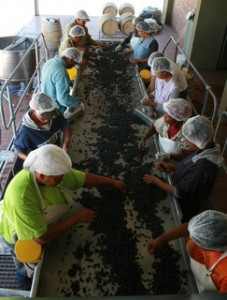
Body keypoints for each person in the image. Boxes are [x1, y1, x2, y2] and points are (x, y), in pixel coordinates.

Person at [0, 144, 127, 289]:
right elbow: (40, 237)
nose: (63, 178)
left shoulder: (52, 174)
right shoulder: (22, 196)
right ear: (42, 175)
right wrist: (76, 218)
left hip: (39, 223)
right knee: (26, 263)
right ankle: (24, 282)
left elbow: (82, 179)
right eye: (59, 177)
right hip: (19, 234)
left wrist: (111, 182)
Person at [143, 115, 223, 223]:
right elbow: (191, 167)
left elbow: (179, 192)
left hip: (185, 206)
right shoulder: (205, 148)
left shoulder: (204, 168)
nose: (185, 142)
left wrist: (155, 181)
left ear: (197, 140)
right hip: (181, 184)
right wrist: (173, 168)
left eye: (188, 140)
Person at [147, 210, 227, 293]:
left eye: (197, 241)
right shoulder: (219, 224)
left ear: (210, 248)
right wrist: (162, 239)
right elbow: (191, 228)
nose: (191, 238)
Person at [13, 93, 72, 160]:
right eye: (44, 116)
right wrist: (31, 161)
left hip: (57, 150)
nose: (48, 119)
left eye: (50, 115)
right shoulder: (26, 132)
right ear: (34, 110)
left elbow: (65, 125)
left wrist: (65, 144)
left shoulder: (55, 114)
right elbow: (18, 149)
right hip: (42, 159)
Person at [41, 47, 84, 120]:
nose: (74, 66)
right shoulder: (62, 73)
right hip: (55, 108)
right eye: (74, 63)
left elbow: (52, 80)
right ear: (70, 59)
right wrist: (78, 101)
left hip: (44, 101)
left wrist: (68, 84)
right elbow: (63, 99)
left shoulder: (50, 61)